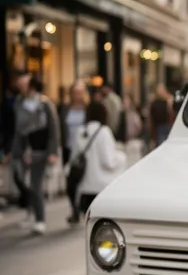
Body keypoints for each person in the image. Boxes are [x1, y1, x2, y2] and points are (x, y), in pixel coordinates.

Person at [10, 74, 61, 235]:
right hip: (26, 150)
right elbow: (19, 130)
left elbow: (54, 130)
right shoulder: (20, 103)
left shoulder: (45, 104)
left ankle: (40, 219)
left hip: (40, 151)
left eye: (25, 84)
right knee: (24, 183)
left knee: (35, 185)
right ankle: (31, 213)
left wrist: (52, 152)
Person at [69, 101, 125, 214]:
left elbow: (74, 157)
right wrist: (121, 157)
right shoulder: (104, 132)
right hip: (102, 190)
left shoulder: (81, 132)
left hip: (84, 190)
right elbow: (108, 162)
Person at [61, 81, 89, 223]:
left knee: (84, 180)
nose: (77, 95)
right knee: (70, 182)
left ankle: (84, 208)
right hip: (69, 148)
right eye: (75, 92)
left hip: (84, 150)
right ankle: (74, 210)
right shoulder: (66, 109)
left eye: (80, 92)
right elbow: (61, 128)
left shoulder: (87, 109)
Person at [147, 84, 174, 150]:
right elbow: (151, 118)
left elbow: (171, 114)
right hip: (158, 128)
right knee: (160, 146)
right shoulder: (155, 103)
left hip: (167, 126)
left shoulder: (168, 100)